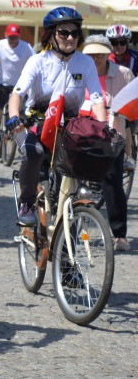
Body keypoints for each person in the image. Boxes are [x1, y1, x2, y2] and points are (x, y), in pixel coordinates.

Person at [7, 7, 106, 226]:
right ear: (51, 34)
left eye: (74, 33)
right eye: (63, 33)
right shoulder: (37, 61)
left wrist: (103, 128)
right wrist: (14, 117)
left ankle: (67, 235)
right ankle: (27, 202)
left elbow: (97, 99)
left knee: (77, 169)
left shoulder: (85, 62)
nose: (70, 37)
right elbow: (17, 94)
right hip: (36, 124)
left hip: (67, 127)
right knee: (35, 154)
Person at [81, 35, 131, 251]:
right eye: (91, 54)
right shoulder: (79, 72)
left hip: (112, 136)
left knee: (112, 184)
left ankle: (119, 234)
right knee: (74, 181)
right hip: (82, 134)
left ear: (107, 53)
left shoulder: (122, 74)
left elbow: (131, 111)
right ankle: (71, 229)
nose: (95, 58)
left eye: (100, 54)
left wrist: (129, 146)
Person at [0, 23, 33, 145]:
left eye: (15, 37)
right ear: (5, 35)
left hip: (19, 86)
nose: (12, 40)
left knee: (19, 112)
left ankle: (21, 138)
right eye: (10, 37)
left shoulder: (26, 47)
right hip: (1, 83)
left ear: (19, 36)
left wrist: (31, 85)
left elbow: (33, 64)